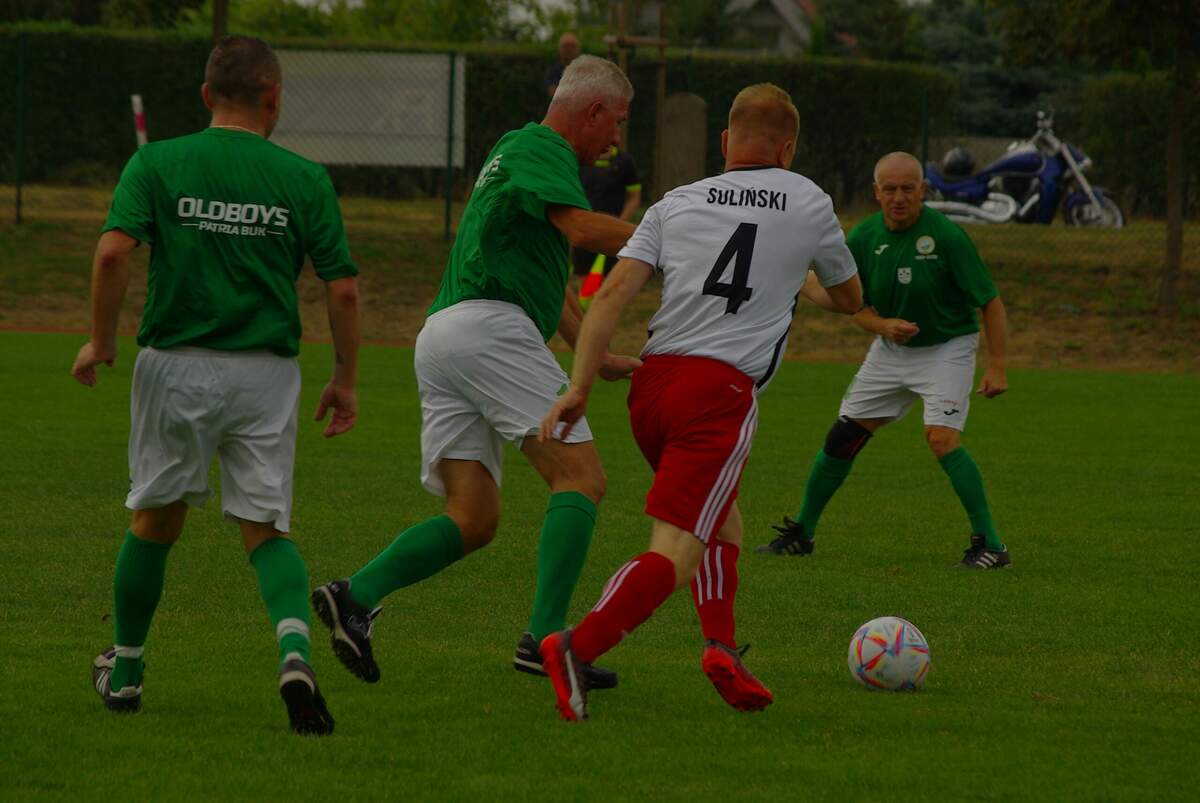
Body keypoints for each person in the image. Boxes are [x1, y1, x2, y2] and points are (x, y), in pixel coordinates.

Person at [536, 83, 864, 721]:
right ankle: (575, 647)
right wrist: (801, 280)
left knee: (723, 520)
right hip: (717, 395)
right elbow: (850, 298)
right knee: (676, 550)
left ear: (725, 141)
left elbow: (610, 297)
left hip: (652, 388)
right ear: (788, 149)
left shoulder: (676, 201)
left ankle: (721, 647)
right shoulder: (808, 200)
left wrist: (578, 385)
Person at [311, 55, 639, 692]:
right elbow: (583, 229)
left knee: (474, 516)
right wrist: (675, 237)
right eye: (618, 121)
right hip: (491, 329)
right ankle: (546, 641)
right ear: (593, 110)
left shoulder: (521, 157)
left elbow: (553, 286)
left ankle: (356, 595)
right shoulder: (543, 146)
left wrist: (596, 357)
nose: (616, 138)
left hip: (446, 335)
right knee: (581, 477)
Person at [73, 35, 361, 735]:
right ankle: (294, 652)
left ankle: (127, 670)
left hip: (174, 365)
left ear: (206, 95)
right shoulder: (304, 177)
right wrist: (344, 378)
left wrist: (102, 341)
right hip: (266, 373)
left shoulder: (157, 161)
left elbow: (112, 253)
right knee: (266, 528)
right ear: (274, 97)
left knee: (155, 520)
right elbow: (343, 290)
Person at [756, 151, 1011, 569]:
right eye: (889, 189)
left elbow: (991, 302)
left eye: (908, 189)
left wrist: (997, 364)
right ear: (876, 192)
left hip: (947, 347)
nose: (898, 197)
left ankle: (993, 546)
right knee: (843, 438)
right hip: (891, 352)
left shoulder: (947, 237)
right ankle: (802, 533)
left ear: (923, 190)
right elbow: (851, 305)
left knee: (941, 438)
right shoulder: (864, 238)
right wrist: (881, 325)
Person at [574, 143, 641, 307]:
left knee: (611, 281)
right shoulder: (581, 159)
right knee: (583, 277)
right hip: (585, 229)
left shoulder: (624, 161)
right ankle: (585, 311)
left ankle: (603, 309)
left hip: (612, 232)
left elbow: (634, 196)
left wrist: (620, 222)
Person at [544, 32, 581, 98]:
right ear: (560, 49)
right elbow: (554, 94)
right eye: (566, 46)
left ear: (578, 49)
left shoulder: (587, 69)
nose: (569, 49)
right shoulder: (553, 71)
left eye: (573, 46)